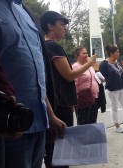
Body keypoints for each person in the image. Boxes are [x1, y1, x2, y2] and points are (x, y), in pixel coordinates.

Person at [0, 1, 66, 168]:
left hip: (38, 123)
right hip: (8, 128)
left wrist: (50, 115)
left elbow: (37, 78)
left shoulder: (26, 13)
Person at [40, 11, 97, 168]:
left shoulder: (43, 46)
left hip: (52, 103)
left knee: (53, 150)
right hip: (60, 105)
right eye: (61, 24)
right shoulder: (53, 47)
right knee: (61, 151)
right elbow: (69, 75)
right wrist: (90, 63)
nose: (64, 27)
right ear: (50, 26)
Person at [99, 44, 123, 133]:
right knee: (114, 108)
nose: (119, 53)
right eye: (117, 52)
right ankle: (116, 125)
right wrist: (103, 80)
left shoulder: (118, 62)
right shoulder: (104, 64)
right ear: (112, 53)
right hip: (112, 90)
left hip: (122, 88)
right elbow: (100, 76)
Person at [72, 47, 99, 125]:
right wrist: (74, 101)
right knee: (83, 122)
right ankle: (84, 137)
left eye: (87, 53)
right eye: (84, 53)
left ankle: (91, 137)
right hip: (83, 99)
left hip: (93, 97)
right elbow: (74, 84)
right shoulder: (75, 67)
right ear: (77, 56)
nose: (87, 55)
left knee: (93, 121)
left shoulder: (89, 66)